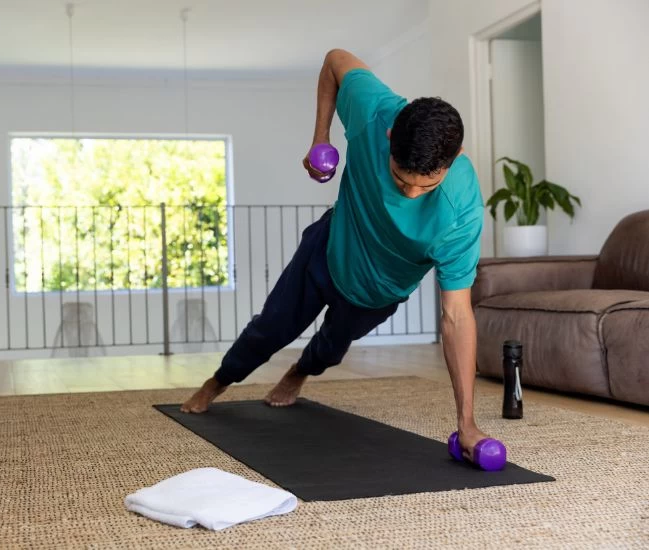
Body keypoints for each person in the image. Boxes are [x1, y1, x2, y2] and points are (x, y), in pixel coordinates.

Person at [180, 48, 492, 463]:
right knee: (271, 328)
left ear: (452, 161)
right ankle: (217, 382)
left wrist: (466, 422)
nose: (411, 193)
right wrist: (320, 138)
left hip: (380, 288)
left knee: (331, 347)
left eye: (426, 186)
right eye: (401, 180)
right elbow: (334, 60)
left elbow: (457, 315)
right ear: (388, 138)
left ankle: (299, 374)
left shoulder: (461, 212)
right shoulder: (375, 112)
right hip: (330, 249)